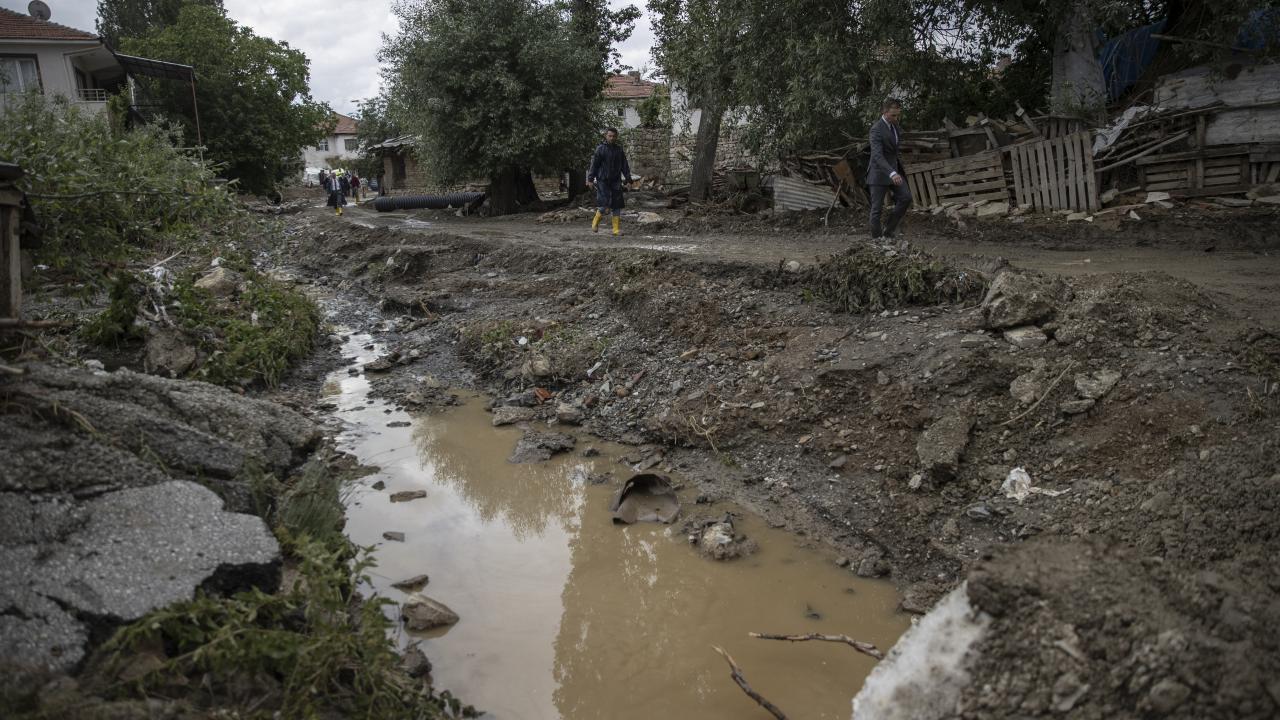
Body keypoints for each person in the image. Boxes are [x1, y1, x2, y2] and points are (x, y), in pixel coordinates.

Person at [867, 97, 912, 240]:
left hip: (894, 171)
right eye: (893, 115)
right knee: (876, 210)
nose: (896, 118)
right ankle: (876, 240)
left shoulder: (895, 126)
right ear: (885, 112)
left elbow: (893, 151)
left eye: (898, 115)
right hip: (879, 173)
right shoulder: (876, 129)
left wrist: (895, 171)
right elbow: (877, 156)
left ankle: (888, 231)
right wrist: (892, 173)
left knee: (906, 198)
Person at [587, 127, 632, 237]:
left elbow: (625, 166)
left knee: (617, 205)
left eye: (613, 136)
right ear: (606, 136)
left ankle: (615, 230)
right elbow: (594, 165)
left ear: (616, 137)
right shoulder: (600, 149)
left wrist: (628, 180)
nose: (611, 138)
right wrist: (590, 179)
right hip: (603, 180)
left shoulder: (619, 150)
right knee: (604, 204)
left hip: (616, 181)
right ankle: (595, 223)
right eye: (609, 136)